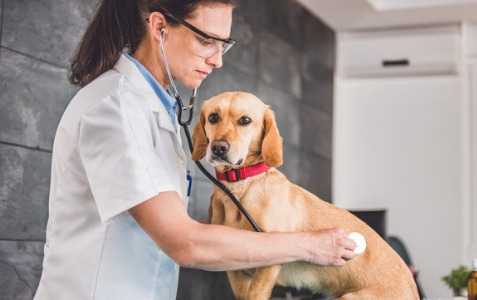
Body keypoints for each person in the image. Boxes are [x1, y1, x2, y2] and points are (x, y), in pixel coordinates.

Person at [33, 0, 356, 299]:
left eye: (223, 45)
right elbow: (184, 243)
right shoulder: (115, 109)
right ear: (160, 28)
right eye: (207, 41)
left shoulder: (156, 111)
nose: (217, 60)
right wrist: (309, 246)